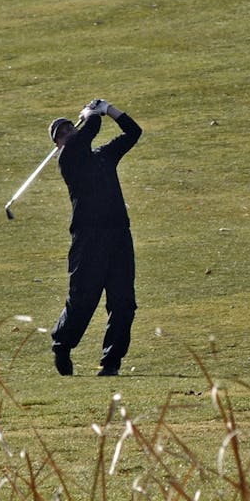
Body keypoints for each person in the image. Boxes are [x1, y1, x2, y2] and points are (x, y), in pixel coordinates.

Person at [48, 99, 143, 376]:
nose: (67, 133)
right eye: (61, 134)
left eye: (68, 128)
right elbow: (89, 131)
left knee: (124, 301)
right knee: (83, 299)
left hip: (118, 237)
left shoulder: (103, 156)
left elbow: (133, 133)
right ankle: (62, 345)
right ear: (58, 145)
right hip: (88, 240)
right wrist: (92, 114)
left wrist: (111, 109)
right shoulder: (68, 159)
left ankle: (111, 363)